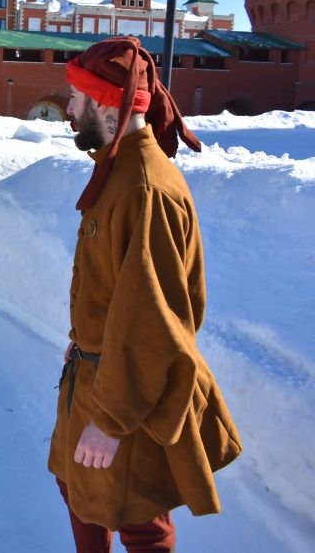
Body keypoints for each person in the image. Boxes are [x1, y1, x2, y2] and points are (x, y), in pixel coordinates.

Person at [49, 36, 242, 552]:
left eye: (75, 97)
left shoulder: (144, 187)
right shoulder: (117, 170)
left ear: (106, 104)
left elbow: (151, 319)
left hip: (125, 393)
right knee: (78, 492)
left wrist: (110, 422)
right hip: (92, 376)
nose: (68, 110)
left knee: (137, 519)